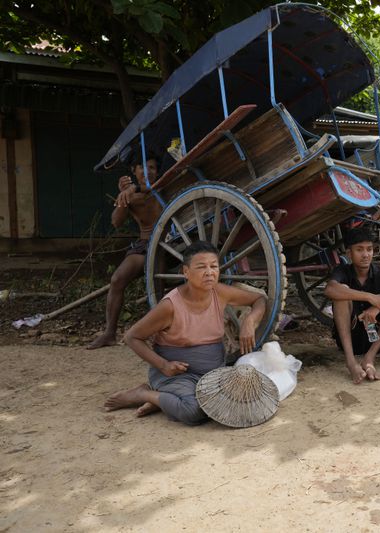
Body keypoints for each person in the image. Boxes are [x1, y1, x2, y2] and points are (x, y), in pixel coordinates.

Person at [103, 241, 266, 425]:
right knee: (193, 412)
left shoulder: (220, 292)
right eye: (201, 267)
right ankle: (144, 394)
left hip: (214, 373)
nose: (209, 272)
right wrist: (163, 365)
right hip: (176, 375)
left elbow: (259, 299)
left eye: (214, 266)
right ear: (185, 272)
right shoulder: (170, 306)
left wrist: (249, 321)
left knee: (238, 403)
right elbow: (132, 337)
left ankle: (163, 401)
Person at [87, 153, 163, 349]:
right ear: (134, 171)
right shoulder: (130, 195)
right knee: (117, 279)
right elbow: (116, 222)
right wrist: (124, 198)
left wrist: (134, 187)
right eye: (143, 168)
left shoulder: (165, 184)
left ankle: (163, 334)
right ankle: (109, 333)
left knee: (158, 277)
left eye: (152, 168)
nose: (148, 172)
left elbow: (152, 189)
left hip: (170, 243)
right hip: (145, 244)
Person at [323, 227, 380, 384]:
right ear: (349, 253)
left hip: (377, 341)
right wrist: (370, 297)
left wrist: (378, 307)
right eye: (359, 250)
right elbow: (330, 289)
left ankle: (369, 359)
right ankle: (351, 362)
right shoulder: (343, 271)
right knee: (341, 293)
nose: (365, 255)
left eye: (369, 249)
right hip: (349, 339)